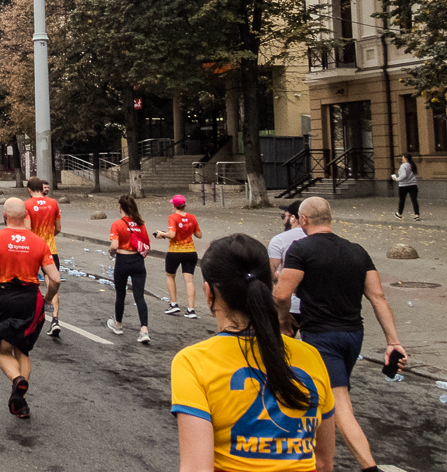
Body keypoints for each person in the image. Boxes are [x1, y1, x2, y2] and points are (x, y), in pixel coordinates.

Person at [172, 234, 336, 472]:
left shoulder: (192, 363)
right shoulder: (310, 356)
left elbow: (198, 468)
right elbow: (323, 463)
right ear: (269, 286)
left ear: (209, 293)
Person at [274, 196, 407, 472]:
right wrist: (393, 342)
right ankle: (322, 461)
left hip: (323, 337)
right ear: (330, 218)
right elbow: (378, 297)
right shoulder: (357, 250)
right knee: (328, 400)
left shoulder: (300, 249)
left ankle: (369, 467)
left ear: (304, 220)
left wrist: (284, 320)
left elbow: (282, 294)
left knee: (340, 404)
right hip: (352, 337)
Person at [0, 198, 60, 418]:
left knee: (1, 348)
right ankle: (20, 401)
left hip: (4, 296)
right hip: (30, 299)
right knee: (22, 350)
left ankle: (17, 380)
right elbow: (55, 278)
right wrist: (48, 299)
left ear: (5, 216)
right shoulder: (39, 242)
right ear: (25, 216)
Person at [108, 194, 151, 343]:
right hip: (138, 261)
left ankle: (118, 324)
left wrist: (111, 252)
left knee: (120, 295)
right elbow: (146, 243)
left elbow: (114, 245)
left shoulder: (117, 224)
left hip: (123, 261)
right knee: (139, 296)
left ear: (120, 207)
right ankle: (144, 330)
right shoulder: (141, 223)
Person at [25, 177, 63, 337]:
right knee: (52, 282)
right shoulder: (53, 203)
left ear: (29, 189)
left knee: (30, 284)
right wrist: (49, 237)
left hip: (33, 250)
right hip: (50, 249)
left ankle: (32, 320)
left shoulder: (26, 205)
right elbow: (58, 228)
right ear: (42, 188)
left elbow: (27, 230)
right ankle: (55, 319)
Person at [155, 194, 202, 319]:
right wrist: (188, 228)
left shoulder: (173, 217)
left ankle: (173, 304)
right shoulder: (192, 217)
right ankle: (191, 310)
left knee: (170, 276)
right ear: (184, 205)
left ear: (174, 206)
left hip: (175, 252)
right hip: (191, 252)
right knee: (189, 281)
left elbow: (172, 234)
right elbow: (199, 235)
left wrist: (161, 234)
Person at [268, 201, 305, 334]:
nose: (284, 219)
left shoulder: (279, 240)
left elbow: (269, 275)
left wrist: (279, 276)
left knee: (283, 347)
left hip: (290, 306)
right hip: (317, 307)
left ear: (293, 218)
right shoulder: (320, 238)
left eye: (285, 215)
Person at [391, 153, 419, 221]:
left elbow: (404, 175)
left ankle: (399, 214)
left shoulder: (403, 166)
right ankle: (417, 215)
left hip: (403, 185)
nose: (402, 159)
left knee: (402, 200)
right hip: (413, 185)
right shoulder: (412, 165)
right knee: (414, 200)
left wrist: (396, 179)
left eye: (402, 158)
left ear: (405, 159)